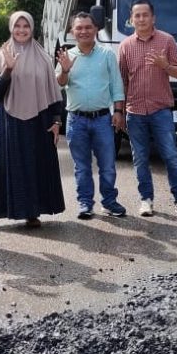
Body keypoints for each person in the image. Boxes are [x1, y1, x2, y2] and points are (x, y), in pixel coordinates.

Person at [0, 11, 65, 229]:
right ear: (11, 28)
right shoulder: (3, 54)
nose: (21, 30)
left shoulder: (43, 57)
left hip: (38, 120)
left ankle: (31, 212)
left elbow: (53, 92)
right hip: (9, 119)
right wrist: (7, 69)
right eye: (17, 26)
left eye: (25, 26)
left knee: (33, 165)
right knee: (1, 165)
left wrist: (56, 121)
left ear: (32, 28)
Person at [117, 0, 177, 218]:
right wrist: (119, 111)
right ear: (132, 20)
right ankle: (146, 200)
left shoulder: (167, 41)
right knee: (140, 159)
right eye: (137, 15)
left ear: (153, 18)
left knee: (170, 156)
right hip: (135, 112)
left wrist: (165, 66)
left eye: (145, 15)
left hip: (161, 111)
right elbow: (121, 82)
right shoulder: (125, 46)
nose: (141, 19)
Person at [56, 12, 127, 219]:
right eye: (79, 28)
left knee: (107, 165)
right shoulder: (67, 56)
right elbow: (59, 84)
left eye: (88, 27)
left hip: (103, 119)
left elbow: (117, 86)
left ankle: (109, 202)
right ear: (72, 32)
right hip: (76, 120)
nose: (84, 31)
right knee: (82, 166)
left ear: (95, 30)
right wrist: (66, 71)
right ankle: (85, 204)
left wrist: (119, 112)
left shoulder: (107, 55)